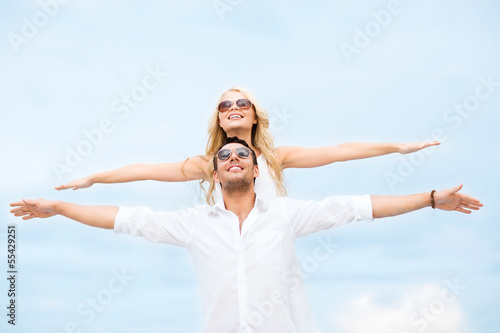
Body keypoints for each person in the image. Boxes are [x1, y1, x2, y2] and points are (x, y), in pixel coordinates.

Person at [11, 137, 482, 333]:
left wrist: (430, 196)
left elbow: (360, 208)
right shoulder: (193, 225)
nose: (232, 158)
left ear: (258, 169)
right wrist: (59, 206)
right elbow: (122, 217)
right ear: (214, 173)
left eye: (242, 155)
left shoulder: (288, 216)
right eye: (223, 157)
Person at [55, 87, 440, 205]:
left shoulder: (277, 158)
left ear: (254, 116)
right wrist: (94, 179)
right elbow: (141, 170)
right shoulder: (207, 163)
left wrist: (397, 148)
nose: (234, 108)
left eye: (243, 104)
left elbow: (341, 150)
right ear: (220, 119)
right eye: (226, 105)